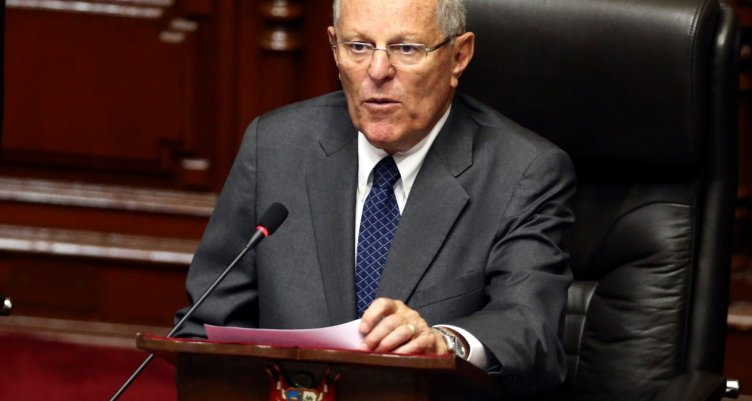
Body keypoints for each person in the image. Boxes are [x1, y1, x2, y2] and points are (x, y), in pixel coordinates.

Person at [174, 0, 575, 394]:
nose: (378, 71)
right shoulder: (276, 146)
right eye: (359, 47)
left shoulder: (523, 171)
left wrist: (444, 345)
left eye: (406, 48)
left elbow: (530, 328)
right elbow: (205, 326)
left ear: (458, 56)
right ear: (334, 48)